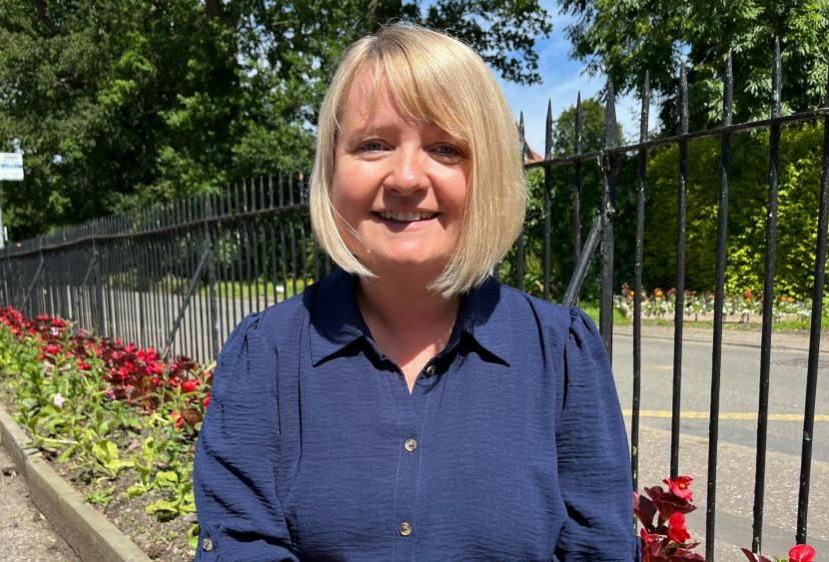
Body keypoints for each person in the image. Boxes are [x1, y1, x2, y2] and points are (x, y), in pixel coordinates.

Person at [193, 22, 636, 561]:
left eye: (445, 148)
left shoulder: (561, 354)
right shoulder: (266, 355)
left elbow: (600, 548)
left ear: (488, 171)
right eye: (373, 144)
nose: (406, 177)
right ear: (332, 167)